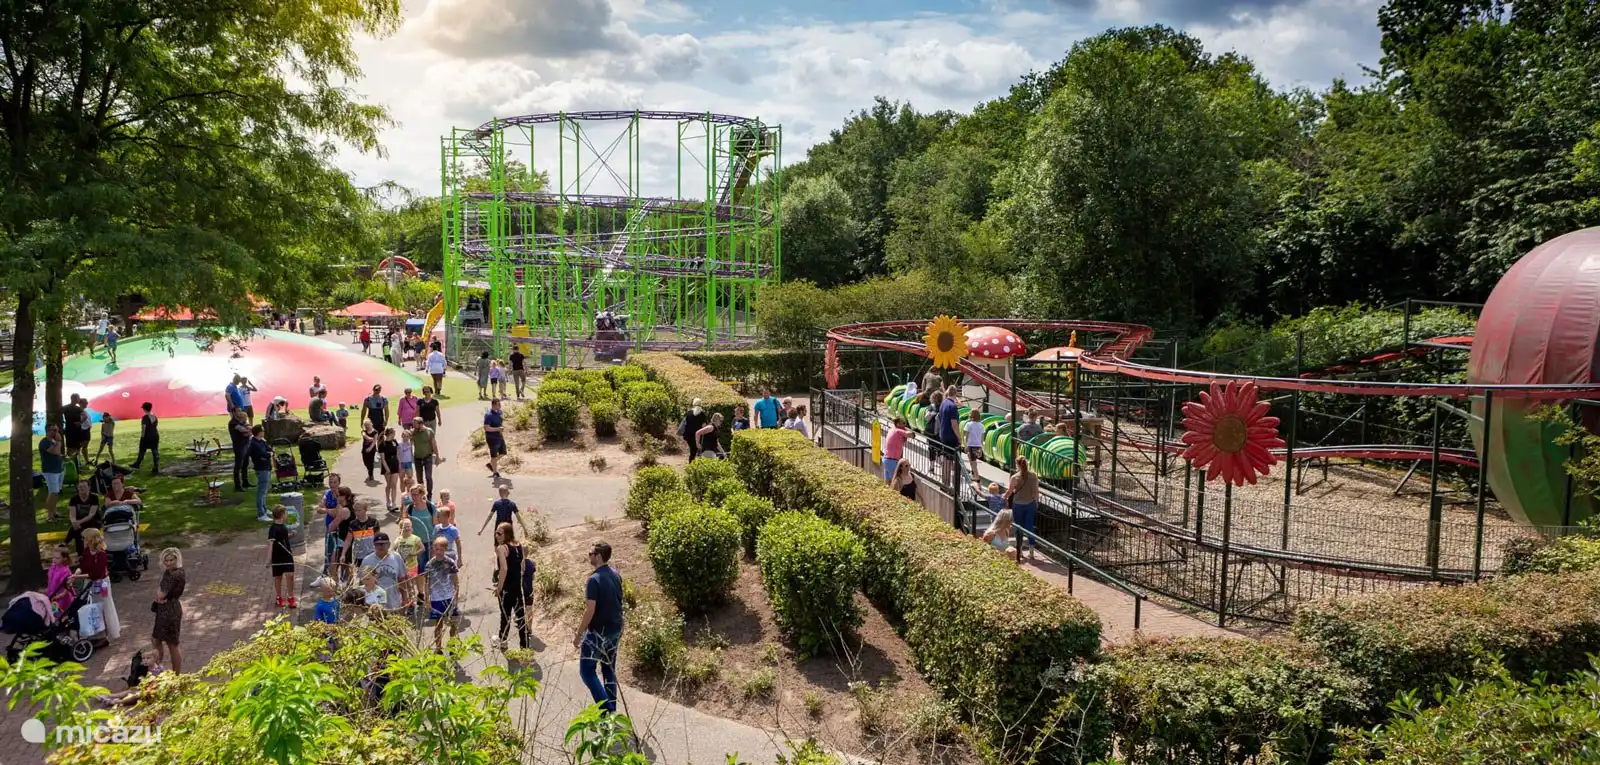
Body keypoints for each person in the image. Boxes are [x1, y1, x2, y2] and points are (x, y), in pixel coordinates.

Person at [575, 541, 623, 714]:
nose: (588, 556)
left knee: (587, 671)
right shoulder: (616, 575)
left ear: (599, 556)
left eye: (590, 553)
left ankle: (606, 711)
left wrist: (579, 634)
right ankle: (613, 712)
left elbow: (590, 610)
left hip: (598, 632)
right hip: (615, 628)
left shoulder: (593, 580)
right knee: (608, 669)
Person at [75, 528, 121, 641]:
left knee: (104, 605)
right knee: (90, 603)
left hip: (101, 583)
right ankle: (94, 630)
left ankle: (106, 631)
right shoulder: (86, 551)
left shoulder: (101, 555)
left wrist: (78, 577)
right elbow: (83, 565)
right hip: (89, 581)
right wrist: (78, 571)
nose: (83, 540)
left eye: (85, 538)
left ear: (91, 540)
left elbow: (97, 574)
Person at [493, 523, 530, 650]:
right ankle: (524, 646)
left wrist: (499, 588)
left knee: (505, 615)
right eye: (496, 533)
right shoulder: (519, 545)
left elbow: (504, 569)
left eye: (499, 533)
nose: (496, 536)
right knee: (520, 616)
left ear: (507, 534)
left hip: (507, 588)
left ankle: (502, 640)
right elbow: (523, 566)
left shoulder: (501, 548)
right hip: (518, 587)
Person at [150, 548, 186, 673]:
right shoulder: (169, 572)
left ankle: (175, 674)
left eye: (172, 560)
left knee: (172, 644)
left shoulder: (175, 574)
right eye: (166, 560)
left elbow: (161, 594)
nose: (169, 563)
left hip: (170, 610)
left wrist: (160, 596)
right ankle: (159, 667)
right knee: (157, 639)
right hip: (165, 609)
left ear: (177, 559)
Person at [424, 537, 460, 650]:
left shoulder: (450, 562)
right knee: (438, 624)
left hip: (449, 597)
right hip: (436, 599)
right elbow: (427, 583)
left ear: (445, 549)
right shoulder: (429, 564)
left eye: (440, 549)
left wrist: (456, 597)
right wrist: (427, 599)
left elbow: (456, 582)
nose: (437, 551)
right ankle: (438, 648)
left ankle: (452, 646)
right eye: (436, 548)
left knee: (453, 623)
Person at [1004, 456, 1039, 561]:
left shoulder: (1015, 477)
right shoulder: (1034, 476)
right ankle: (1031, 550)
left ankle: (1019, 550)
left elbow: (1010, 492)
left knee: (1018, 527)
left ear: (1017, 465)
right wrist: (1036, 502)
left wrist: (1003, 497)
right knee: (1029, 526)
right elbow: (1036, 491)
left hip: (1018, 505)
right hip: (1031, 504)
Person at [361, 532, 406, 611]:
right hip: (374, 606)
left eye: (382, 544)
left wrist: (405, 599)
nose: (380, 546)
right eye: (377, 544)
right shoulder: (367, 560)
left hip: (394, 604)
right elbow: (362, 583)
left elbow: (402, 580)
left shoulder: (396, 557)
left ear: (389, 544)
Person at [268, 505, 296, 608]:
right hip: (277, 556)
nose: (287, 515)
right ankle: (279, 597)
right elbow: (270, 544)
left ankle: (291, 597)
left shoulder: (283, 526)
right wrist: (269, 559)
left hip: (287, 554)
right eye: (286, 513)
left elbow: (282, 537)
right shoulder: (273, 529)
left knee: (290, 575)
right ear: (282, 515)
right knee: (278, 577)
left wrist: (291, 535)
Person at [394, 518, 424, 612]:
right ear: (401, 528)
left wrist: (415, 554)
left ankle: (411, 604)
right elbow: (393, 550)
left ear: (412, 527)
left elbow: (422, 548)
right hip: (402, 567)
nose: (407, 528)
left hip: (412, 566)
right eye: (405, 527)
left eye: (409, 526)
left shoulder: (415, 538)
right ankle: (408, 602)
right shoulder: (398, 540)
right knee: (404, 586)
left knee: (410, 585)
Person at [404, 485, 436, 574]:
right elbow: (407, 527)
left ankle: (429, 587)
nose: (414, 497)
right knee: (421, 569)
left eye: (416, 494)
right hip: (417, 543)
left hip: (430, 541)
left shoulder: (430, 506)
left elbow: (435, 525)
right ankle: (422, 587)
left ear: (422, 494)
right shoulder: (409, 509)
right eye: (412, 495)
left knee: (431, 568)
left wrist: (435, 543)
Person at [66, 480, 102, 556]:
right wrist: (74, 522)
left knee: (78, 529)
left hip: (93, 521)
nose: (82, 488)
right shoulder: (74, 499)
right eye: (80, 487)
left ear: (89, 487)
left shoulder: (94, 497)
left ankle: (65, 543)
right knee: (78, 534)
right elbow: (72, 514)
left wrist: (78, 522)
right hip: (79, 523)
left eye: (84, 486)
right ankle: (81, 555)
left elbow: (91, 514)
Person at [342, 500, 379, 575]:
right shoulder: (353, 524)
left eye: (359, 510)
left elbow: (377, 539)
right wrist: (343, 554)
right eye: (355, 511)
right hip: (359, 556)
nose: (357, 513)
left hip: (372, 555)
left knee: (373, 576)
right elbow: (348, 540)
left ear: (365, 510)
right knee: (361, 576)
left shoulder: (373, 522)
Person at [247, 425, 274, 522]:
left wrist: (269, 453)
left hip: (266, 467)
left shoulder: (262, 441)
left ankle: (264, 509)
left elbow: (269, 450)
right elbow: (263, 454)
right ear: (259, 432)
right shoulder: (254, 443)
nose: (264, 432)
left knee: (264, 491)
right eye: (263, 430)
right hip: (261, 468)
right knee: (261, 492)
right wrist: (268, 454)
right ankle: (261, 514)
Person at [39, 424, 65, 522]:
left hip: (58, 469)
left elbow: (57, 453)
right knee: (53, 492)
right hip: (50, 471)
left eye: (58, 430)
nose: (56, 432)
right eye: (54, 430)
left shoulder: (53, 441)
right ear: (48, 431)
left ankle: (54, 511)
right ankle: (49, 515)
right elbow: (55, 452)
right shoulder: (44, 442)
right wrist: (59, 441)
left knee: (56, 492)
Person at [129, 402, 159, 475]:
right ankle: (156, 467)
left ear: (144, 409)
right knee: (155, 451)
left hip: (147, 436)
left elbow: (144, 427)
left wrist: (142, 436)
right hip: (155, 435)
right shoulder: (154, 416)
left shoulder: (145, 417)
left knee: (142, 450)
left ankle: (137, 463)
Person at [410, 417, 437, 500]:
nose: (413, 425)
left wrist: (437, 457)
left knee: (428, 477)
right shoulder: (413, 432)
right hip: (417, 457)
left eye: (415, 424)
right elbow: (409, 442)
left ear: (421, 424)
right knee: (419, 478)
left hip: (427, 457)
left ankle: (429, 494)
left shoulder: (429, 431)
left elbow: (434, 444)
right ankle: (422, 494)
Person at [46, 546, 76, 617]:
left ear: (64, 558)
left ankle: (62, 622)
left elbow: (67, 588)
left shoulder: (65, 571)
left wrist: (58, 596)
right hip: (53, 594)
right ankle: (55, 620)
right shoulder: (53, 566)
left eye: (57, 558)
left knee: (61, 613)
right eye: (53, 557)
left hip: (61, 597)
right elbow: (50, 580)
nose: (54, 560)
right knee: (54, 612)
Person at [229, 409, 253, 492]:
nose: (240, 412)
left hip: (246, 444)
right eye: (238, 411)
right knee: (238, 465)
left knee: (245, 464)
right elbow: (243, 430)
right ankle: (237, 485)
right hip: (239, 446)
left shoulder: (241, 421)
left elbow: (249, 428)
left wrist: (249, 430)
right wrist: (249, 431)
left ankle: (245, 482)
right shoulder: (233, 423)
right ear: (234, 413)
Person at [379, 427, 401, 512]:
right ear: (390, 434)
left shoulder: (394, 442)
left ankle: (394, 503)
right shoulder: (382, 444)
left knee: (394, 484)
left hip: (395, 463)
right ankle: (388, 500)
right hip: (387, 465)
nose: (394, 435)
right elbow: (382, 458)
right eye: (393, 433)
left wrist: (399, 463)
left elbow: (397, 453)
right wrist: (387, 469)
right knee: (389, 484)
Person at [483, 398, 506, 480]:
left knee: (503, 452)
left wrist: (500, 428)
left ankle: (491, 463)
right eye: (498, 404)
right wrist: (497, 429)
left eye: (500, 404)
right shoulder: (489, 415)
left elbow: (500, 422)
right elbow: (486, 428)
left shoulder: (500, 412)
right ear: (493, 405)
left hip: (499, 436)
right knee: (494, 455)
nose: (500, 406)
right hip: (491, 438)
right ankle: (495, 472)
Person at [882, 417, 908, 484]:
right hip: (892, 460)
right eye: (903, 423)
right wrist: (913, 434)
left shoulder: (893, 430)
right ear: (898, 424)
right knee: (896, 481)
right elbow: (909, 434)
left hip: (886, 459)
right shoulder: (898, 431)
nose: (905, 425)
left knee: (887, 483)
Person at [964, 408, 986, 479]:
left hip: (971, 445)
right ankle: (973, 473)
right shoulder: (982, 425)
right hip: (978, 445)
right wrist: (981, 448)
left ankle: (977, 479)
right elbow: (982, 439)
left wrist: (966, 445)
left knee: (973, 463)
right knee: (972, 460)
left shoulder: (968, 424)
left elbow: (966, 436)